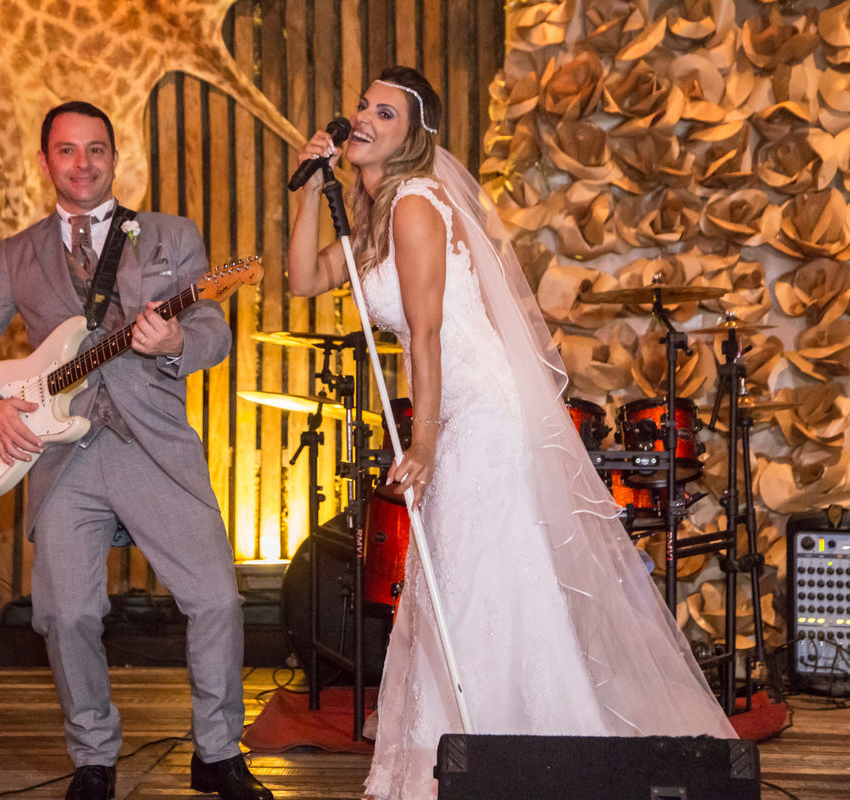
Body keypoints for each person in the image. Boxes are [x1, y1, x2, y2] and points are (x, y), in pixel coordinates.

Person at [286, 67, 736, 800]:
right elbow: (303, 279)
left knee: (473, 576)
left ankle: (521, 759)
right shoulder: (373, 216)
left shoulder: (416, 208)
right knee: (462, 579)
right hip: (455, 410)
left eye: (385, 113)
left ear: (413, 136)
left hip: (480, 414)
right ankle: (480, 755)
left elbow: (426, 335)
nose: (363, 118)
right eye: (363, 107)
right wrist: (310, 183)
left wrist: (425, 443)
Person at [0, 101, 273, 800]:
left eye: (95, 150)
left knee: (216, 599)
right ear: (44, 162)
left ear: (115, 158)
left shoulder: (170, 235)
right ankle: (93, 756)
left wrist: (178, 341)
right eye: (66, 151)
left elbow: (214, 327)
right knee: (66, 615)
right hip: (61, 456)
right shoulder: (18, 252)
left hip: (153, 446)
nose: (82, 163)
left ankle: (216, 753)